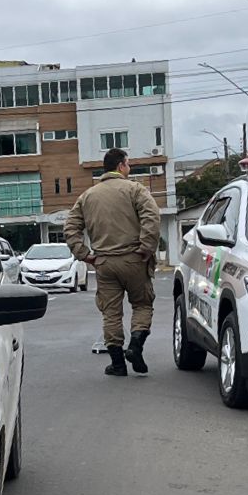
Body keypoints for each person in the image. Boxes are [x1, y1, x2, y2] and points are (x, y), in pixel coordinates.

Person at [64, 148, 161, 376]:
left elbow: (70, 227)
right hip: (134, 259)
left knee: (111, 313)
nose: (130, 168)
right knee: (142, 304)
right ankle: (135, 345)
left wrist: (84, 254)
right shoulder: (135, 189)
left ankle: (118, 364)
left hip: (104, 262)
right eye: (128, 164)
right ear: (120, 166)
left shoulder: (87, 196)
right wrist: (146, 247)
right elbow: (152, 215)